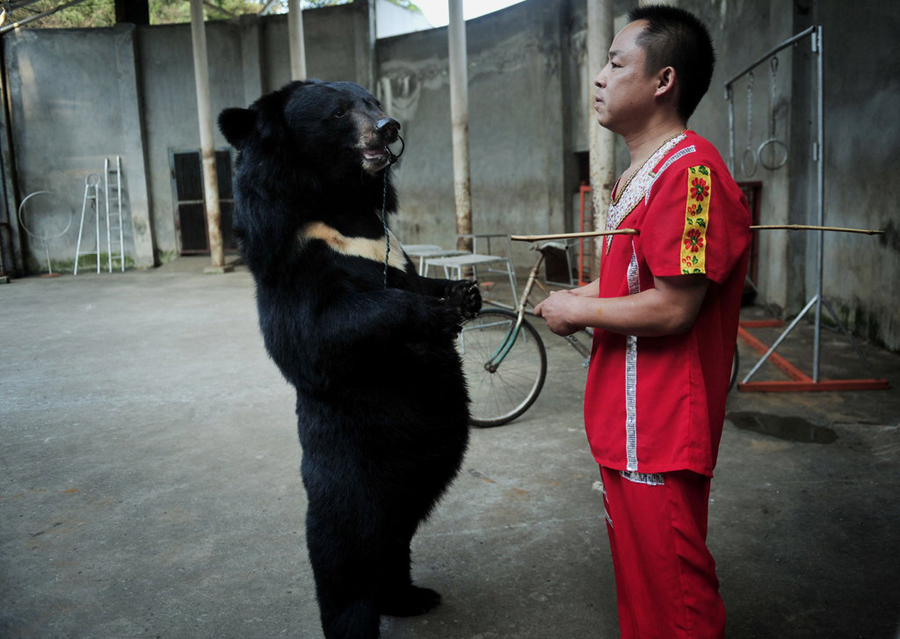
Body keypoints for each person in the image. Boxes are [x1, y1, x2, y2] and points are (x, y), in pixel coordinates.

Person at [534, 5, 751, 638]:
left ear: (663, 81)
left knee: (676, 599)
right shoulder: (642, 172)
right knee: (643, 592)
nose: (600, 77)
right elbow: (633, 282)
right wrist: (578, 295)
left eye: (615, 63)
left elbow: (675, 306)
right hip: (626, 422)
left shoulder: (691, 173)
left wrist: (579, 309)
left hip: (658, 425)